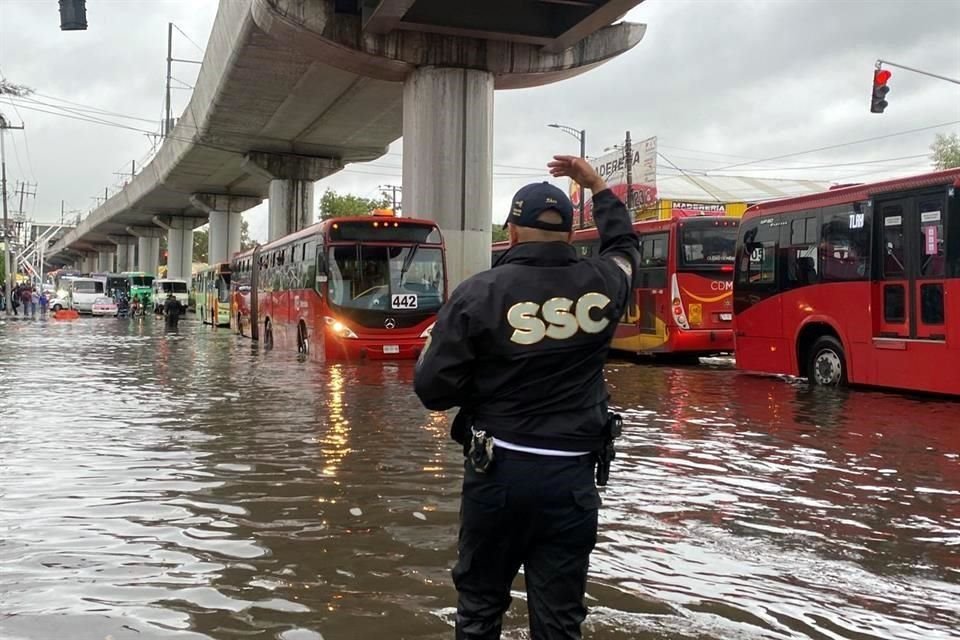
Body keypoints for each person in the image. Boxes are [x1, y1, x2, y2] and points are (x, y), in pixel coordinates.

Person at [413, 155, 640, 640]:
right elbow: (624, 246)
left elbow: (432, 390)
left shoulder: (478, 294)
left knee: (478, 608)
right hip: (572, 480)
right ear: (571, 235)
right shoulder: (606, 282)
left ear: (512, 233)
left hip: (499, 474)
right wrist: (597, 185)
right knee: (560, 619)